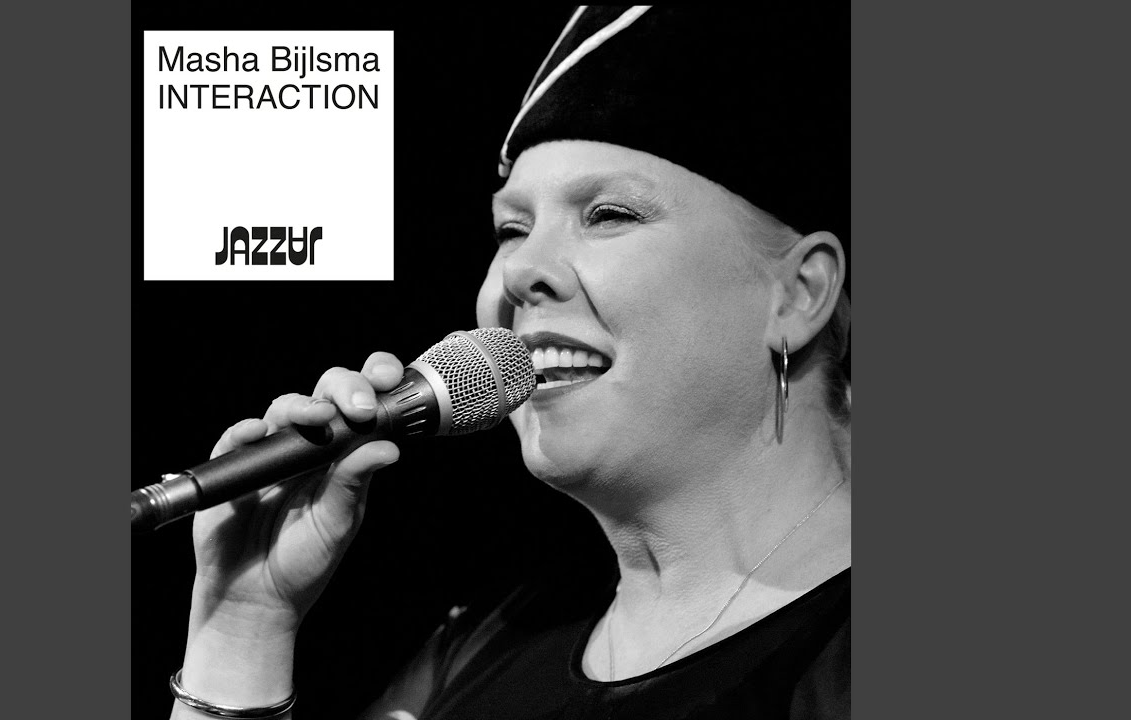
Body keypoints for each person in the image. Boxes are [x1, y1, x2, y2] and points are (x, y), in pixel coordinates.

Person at [168, 6, 850, 719]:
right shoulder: (485, 646)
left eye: (608, 214)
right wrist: (242, 629)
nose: (520, 271)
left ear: (799, 295)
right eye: (511, 229)